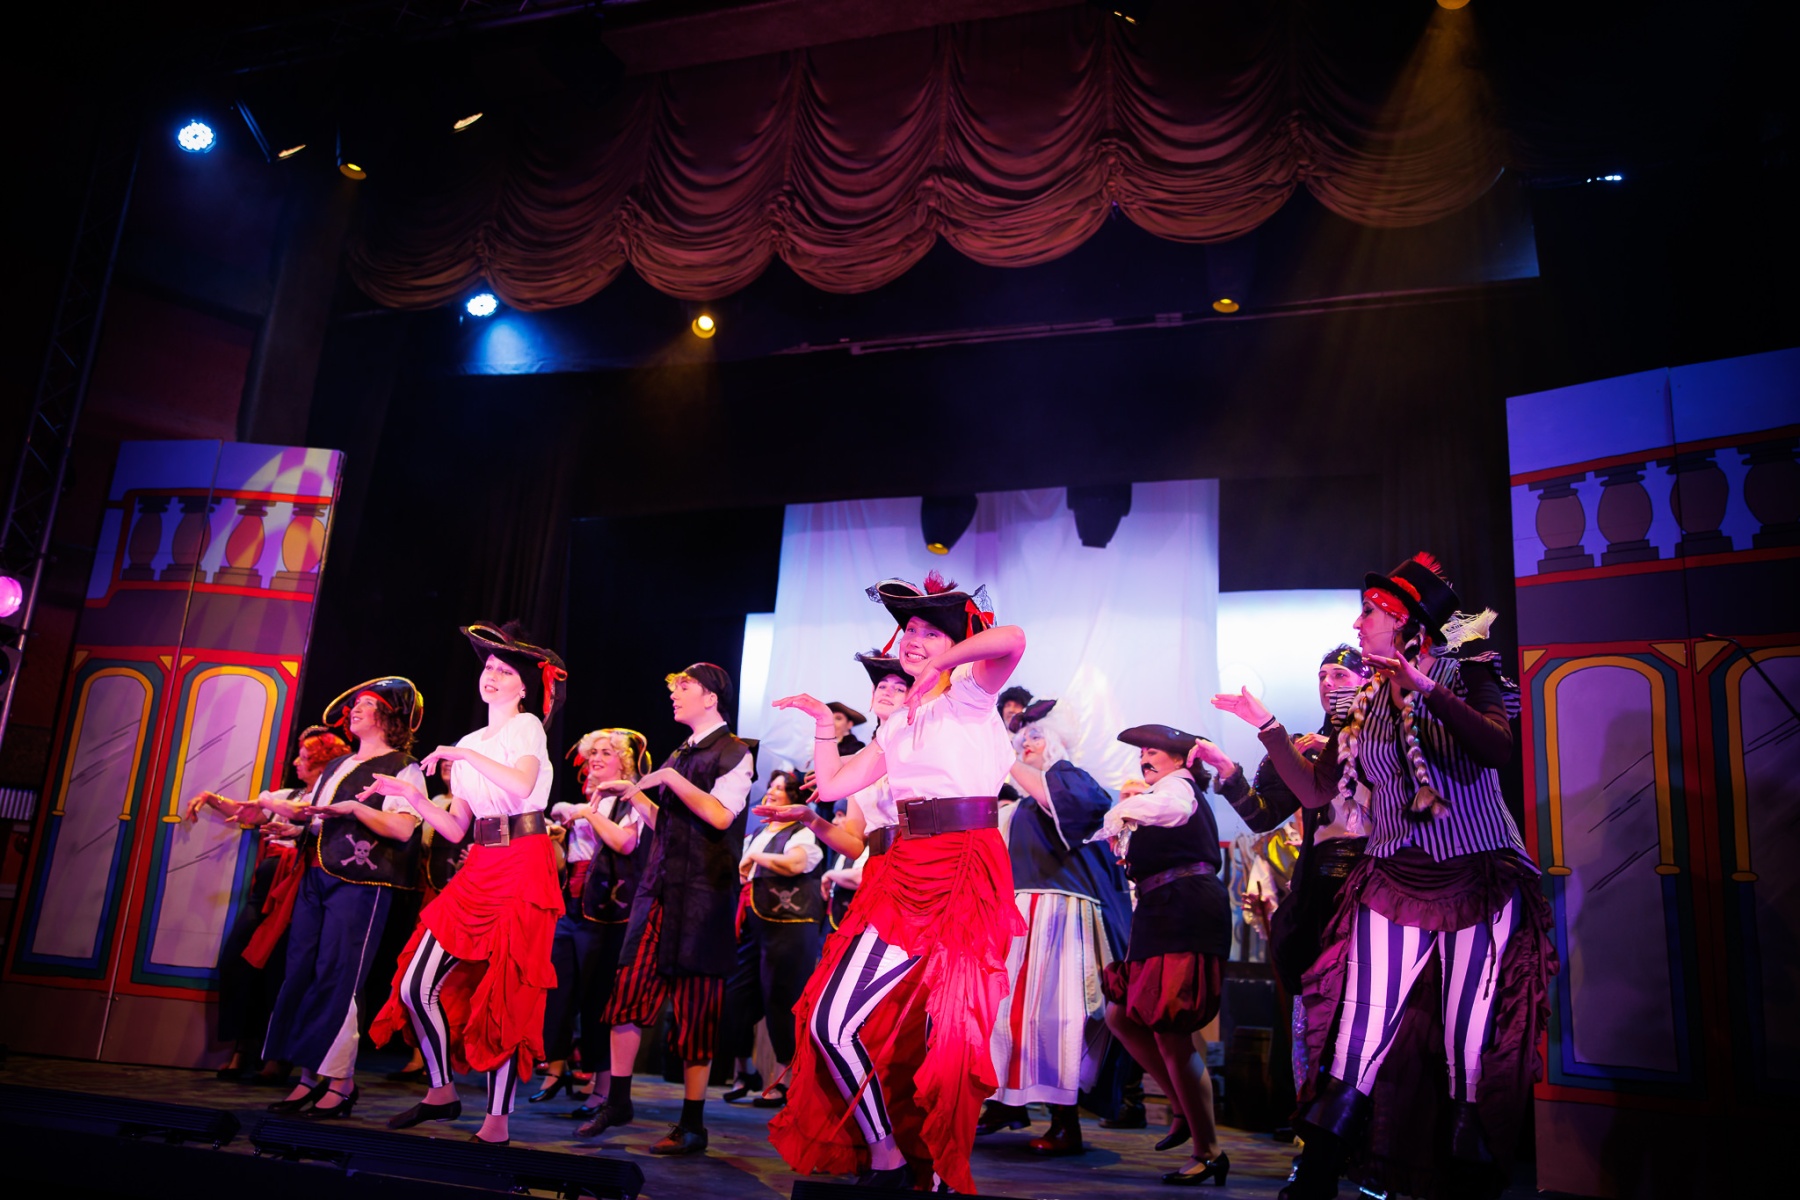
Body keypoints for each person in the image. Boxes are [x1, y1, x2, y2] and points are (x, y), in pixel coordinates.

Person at [1213, 553, 1551, 1200]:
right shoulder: (1363, 702)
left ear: (1402, 621)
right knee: (1358, 1032)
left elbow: (1497, 747)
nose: (1357, 621)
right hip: (1394, 878)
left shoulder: (1467, 668)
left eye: (1368, 611)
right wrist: (1268, 727)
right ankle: (1314, 1179)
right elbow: (1317, 793)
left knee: (1467, 1041)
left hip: (1476, 877)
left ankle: (1468, 1186)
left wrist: (1425, 688)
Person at [764, 573, 1026, 1194]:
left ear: (956, 643)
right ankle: (886, 1153)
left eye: (931, 631)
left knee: (948, 1035)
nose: (913, 639)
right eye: (909, 628)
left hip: (965, 865)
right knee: (831, 1022)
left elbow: (1012, 639)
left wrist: (943, 664)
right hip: (904, 871)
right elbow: (834, 785)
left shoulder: (969, 696)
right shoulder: (897, 722)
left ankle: (936, 1172)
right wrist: (823, 724)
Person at [367, 621, 567, 1146]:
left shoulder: (526, 727)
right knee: (414, 985)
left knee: (505, 990)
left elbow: (522, 785)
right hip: (479, 862)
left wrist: (462, 757)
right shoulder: (469, 741)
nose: (491, 676)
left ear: (524, 687)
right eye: (488, 668)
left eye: (504, 671)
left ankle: (496, 1122)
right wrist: (413, 798)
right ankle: (441, 1090)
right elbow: (457, 827)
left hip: (523, 861)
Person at [576, 662, 754, 1156]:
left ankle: (692, 1123)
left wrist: (670, 779)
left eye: (685, 687)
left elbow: (719, 815)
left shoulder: (736, 753)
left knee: (696, 1008)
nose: (675, 695)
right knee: (626, 992)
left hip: (702, 897)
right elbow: (668, 822)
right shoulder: (681, 752)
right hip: (658, 890)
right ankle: (618, 1100)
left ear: (711, 697)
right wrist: (635, 797)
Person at [1193, 646, 1374, 1116]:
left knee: (1365, 1007)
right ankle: (1314, 1121)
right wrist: (1228, 771)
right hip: (1317, 892)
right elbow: (1262, 816)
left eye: (1341, 674)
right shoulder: (1296, 746)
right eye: (1322, 676)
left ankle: (1367, 1125)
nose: (1329, 683)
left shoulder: (1384, 738)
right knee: (1312, 1011)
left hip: (1375, 886)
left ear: (1368, 680)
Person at [259, 679, 428, 1119]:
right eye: (355, 703)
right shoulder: (338, 765)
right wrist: (294, 828)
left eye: (367, 704)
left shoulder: (403, 768)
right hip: (316, 877)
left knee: (339, 976)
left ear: (389, 716)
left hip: (360, 884)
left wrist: (355, 808)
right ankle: (308, 1076)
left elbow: (403, 828)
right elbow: (321, 821)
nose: (355, 709)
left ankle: (340, 1082)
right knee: (302, 971)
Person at [979, 706, 1133, 1157]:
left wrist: (1006, 758)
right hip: (1021, 918)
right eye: (1021, 739)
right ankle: (1006, 1101)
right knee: (1006, 1015)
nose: (1025, 744)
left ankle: (1066, 1122)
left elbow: (1058, 802)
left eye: (1036, 737)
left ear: (1059, 741)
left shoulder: (1073, 779)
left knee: (1059, 1019)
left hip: (1064, 918)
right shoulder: (1020, 805)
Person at [1090, 724, 1232, 1187]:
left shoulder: (1177, 788)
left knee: (1172, 1030)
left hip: (1185, 909)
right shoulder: (1158, 793)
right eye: (1142, 752)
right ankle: (1183, 1108)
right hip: (1159, 910)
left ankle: (1208, 1150)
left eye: (1155, 751)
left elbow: (1172, 808)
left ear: (1182, 760)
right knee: (1121, 1016)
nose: (1145, 758)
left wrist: (1121, 811)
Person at [187, 725, 350, 1085]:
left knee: (281, 972)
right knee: (239, 961)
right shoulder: (286, 795)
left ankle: (278, 1056)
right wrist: (211, 797)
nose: (296, 763)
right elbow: (248, 812)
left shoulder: (323, 800)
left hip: (300, 890)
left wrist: (266, 801)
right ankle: (242, 1047)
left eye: (304, 758)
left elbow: (290, 811)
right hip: (266, 891)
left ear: (322, 763)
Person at [534, 728, 653, 1110]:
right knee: (558, 989)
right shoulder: (587, 801)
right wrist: (557, 833)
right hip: (571, 905)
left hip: (607, 911)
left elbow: (625, 843)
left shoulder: (630, 800)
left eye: (605, 752)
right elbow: (567, 859)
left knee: (598, 997)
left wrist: (587, 814)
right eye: (593, 753)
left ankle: (603, 1087)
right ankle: (556, 1068)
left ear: (624, 761)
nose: (596, 759)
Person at [721, 768, 824, 1109]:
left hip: (789, 927)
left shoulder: (802, 833)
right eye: (771, 786)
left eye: (781, 788)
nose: (773, 792)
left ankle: (784, 1082)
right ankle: (744, 1072)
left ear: (793, 798)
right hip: (754, 925)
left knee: (782, 1002)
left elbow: (795, 864)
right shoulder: (757, 833)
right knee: (736, 999)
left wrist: (755, 857)